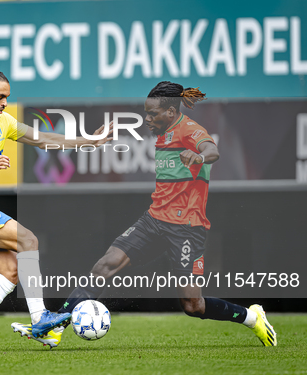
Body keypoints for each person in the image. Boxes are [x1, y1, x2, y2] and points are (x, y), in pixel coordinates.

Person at [53, 81, 276, 347]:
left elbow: (212, 149)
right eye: (146, 113)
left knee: (193, 305)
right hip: (154, 220)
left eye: (152, 114)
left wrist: (199, 158)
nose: (147, 119)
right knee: (104, 265)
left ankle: (252, 317)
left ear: (171, 112)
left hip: (186, 227)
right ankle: (56, 325)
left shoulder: (189, 130)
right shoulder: (163, 131)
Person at [0, 61, 112, 351]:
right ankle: (40, 317)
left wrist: (89, 141)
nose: (5, 103)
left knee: (12, 272)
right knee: (28, 239)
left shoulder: (2, 123)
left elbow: (43, 139)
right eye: (0, 97)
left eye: (7, 97)